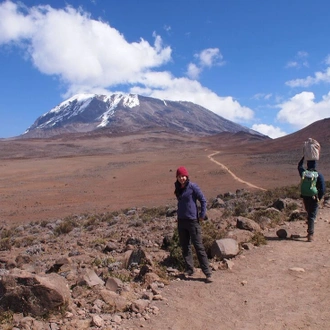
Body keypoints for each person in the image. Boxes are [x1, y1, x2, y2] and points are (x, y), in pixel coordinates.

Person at [174, 166, 213, 283]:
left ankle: (207, 272)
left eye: (184, 176)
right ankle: (189, 269)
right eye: (180, 176)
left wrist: (202, 214)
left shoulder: (192, 187)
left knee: (198, 246)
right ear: (177, 177)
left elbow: (203, 200)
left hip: (192, 221)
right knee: (185, 246)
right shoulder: (177, 188)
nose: (182, 178)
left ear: (187, 176)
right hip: (181, 221)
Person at [297, 157, 326, 242]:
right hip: (314, 197)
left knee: (309, 212)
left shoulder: (304, 174)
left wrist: (303, 157)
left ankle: (309, 231)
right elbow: (323, 188)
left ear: (307, 165)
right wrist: (318, 198)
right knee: (312, 216)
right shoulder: (318, 175)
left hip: (305, 197)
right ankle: (310, 234)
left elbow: (299, 167)